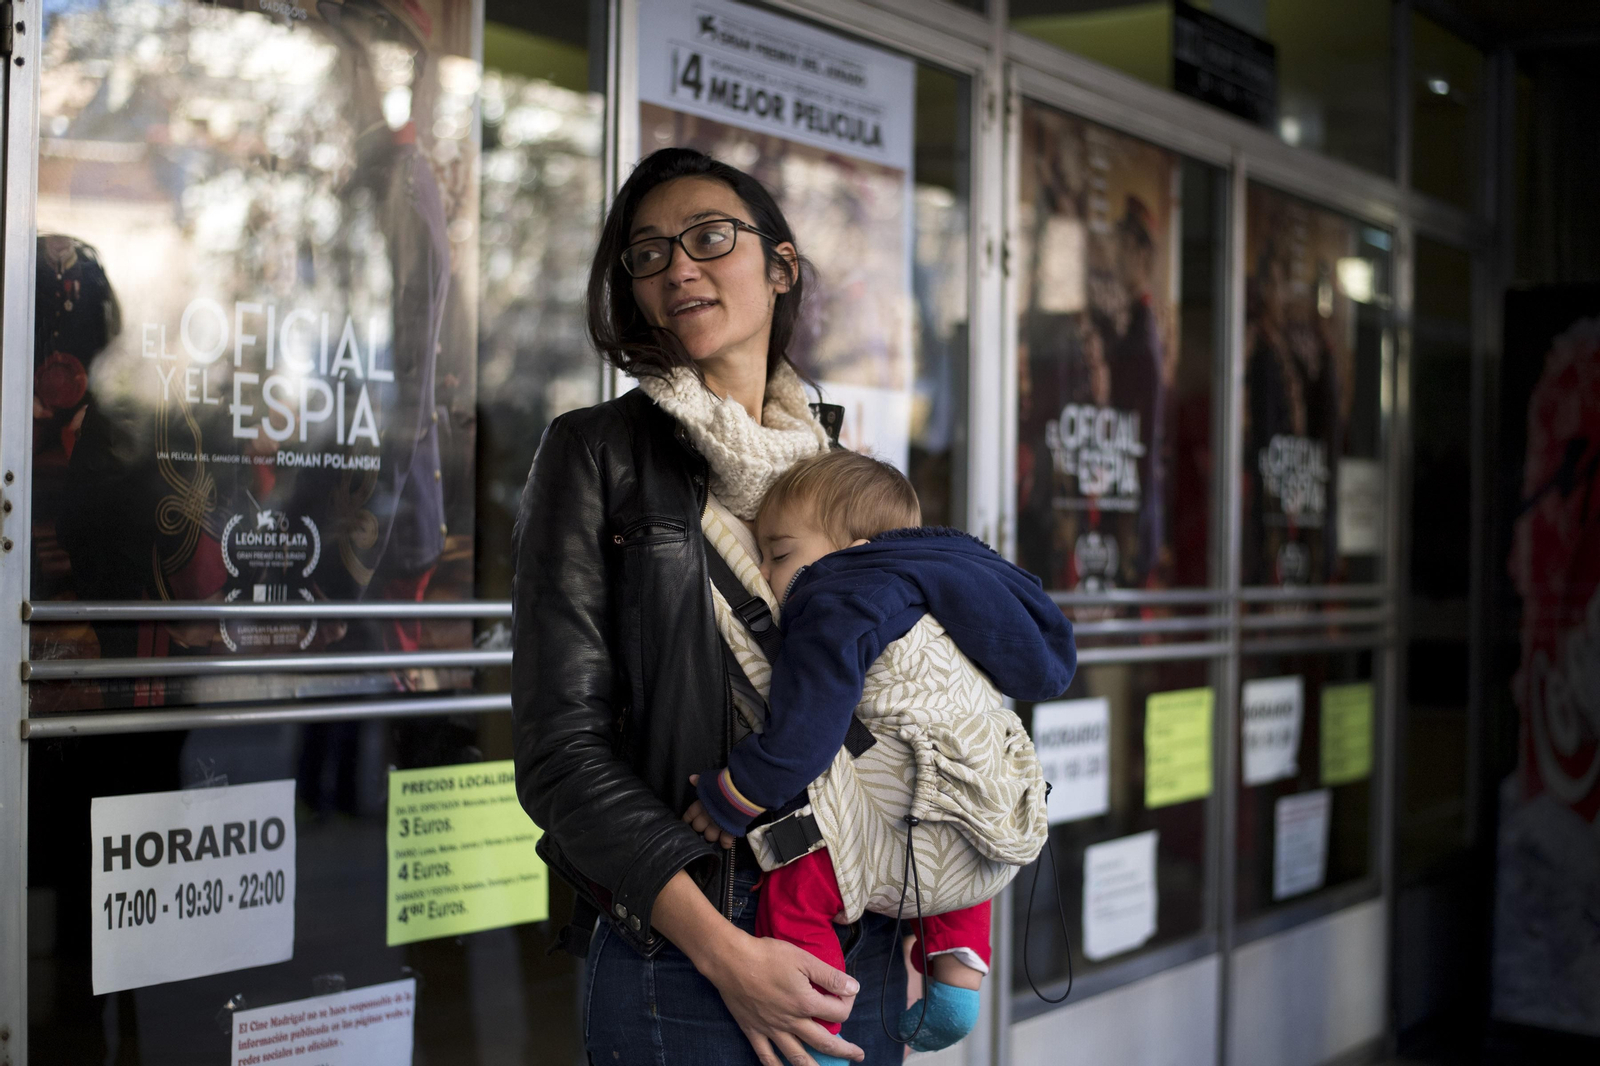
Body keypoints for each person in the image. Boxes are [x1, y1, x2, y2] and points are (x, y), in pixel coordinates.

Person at [513, 147, 901, 1066]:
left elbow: (900, 701)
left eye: (709, 238)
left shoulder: (836, 466)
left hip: (861, 918)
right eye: (648, 254)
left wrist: (920, 910)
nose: (678, 266)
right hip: (688, 943)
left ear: (780, 265)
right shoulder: (594, 453)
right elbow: (561, 758)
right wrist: (724, 952)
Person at [683, 450, 1072, 1063]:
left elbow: (806, 731)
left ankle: (822, 1032)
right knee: (958, 849)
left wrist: (735, 795)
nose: (764, 571)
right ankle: (956, 993)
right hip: (984, 831)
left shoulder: (841, 595)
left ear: (854, 547)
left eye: (779, 554)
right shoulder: (953, 590)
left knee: (797, 879)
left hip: (895, 831)